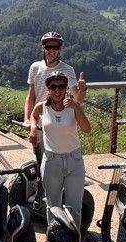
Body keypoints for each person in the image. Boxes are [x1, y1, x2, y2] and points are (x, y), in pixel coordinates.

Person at [28, 71, 91, 231]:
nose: (57, 90)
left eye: (61, 86)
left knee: (74, 208)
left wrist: (76, 106)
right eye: (53, 86)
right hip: (51, 161)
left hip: (74, 161)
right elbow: (33, 116)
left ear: (66, 88)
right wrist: (34, 128)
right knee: (52, 205)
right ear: (48, 88)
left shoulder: (72, 106)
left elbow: (87, 129)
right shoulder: (42, 107)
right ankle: (55, 240)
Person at [24, 31, 87, 168]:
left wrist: (82, 89)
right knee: (42, 162)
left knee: (58, 161)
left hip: (61, 122)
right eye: (48, 47)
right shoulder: (35, 67)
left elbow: (78, 99)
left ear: (60, 50)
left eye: (56, 47)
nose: (52, 51)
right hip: (41, 120)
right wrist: (29, 121)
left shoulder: (67, 69)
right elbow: (31, 96)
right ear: (43, 48)